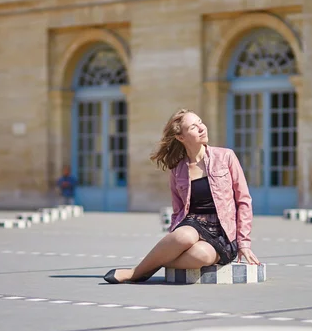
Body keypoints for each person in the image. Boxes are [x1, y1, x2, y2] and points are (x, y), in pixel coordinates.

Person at [103, 109, 260, 284]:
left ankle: (152, 265)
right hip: (194, 224)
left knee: (201, 255)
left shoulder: (226, 156)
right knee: (182, 237)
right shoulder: (178, 169)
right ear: (181, 137)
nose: (201, 128)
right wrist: (174, 240)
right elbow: (178, 210)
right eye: (194, 127)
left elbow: (243, 200)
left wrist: (244, 243)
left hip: (224, 232)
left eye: (201, 122)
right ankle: (135, 273)